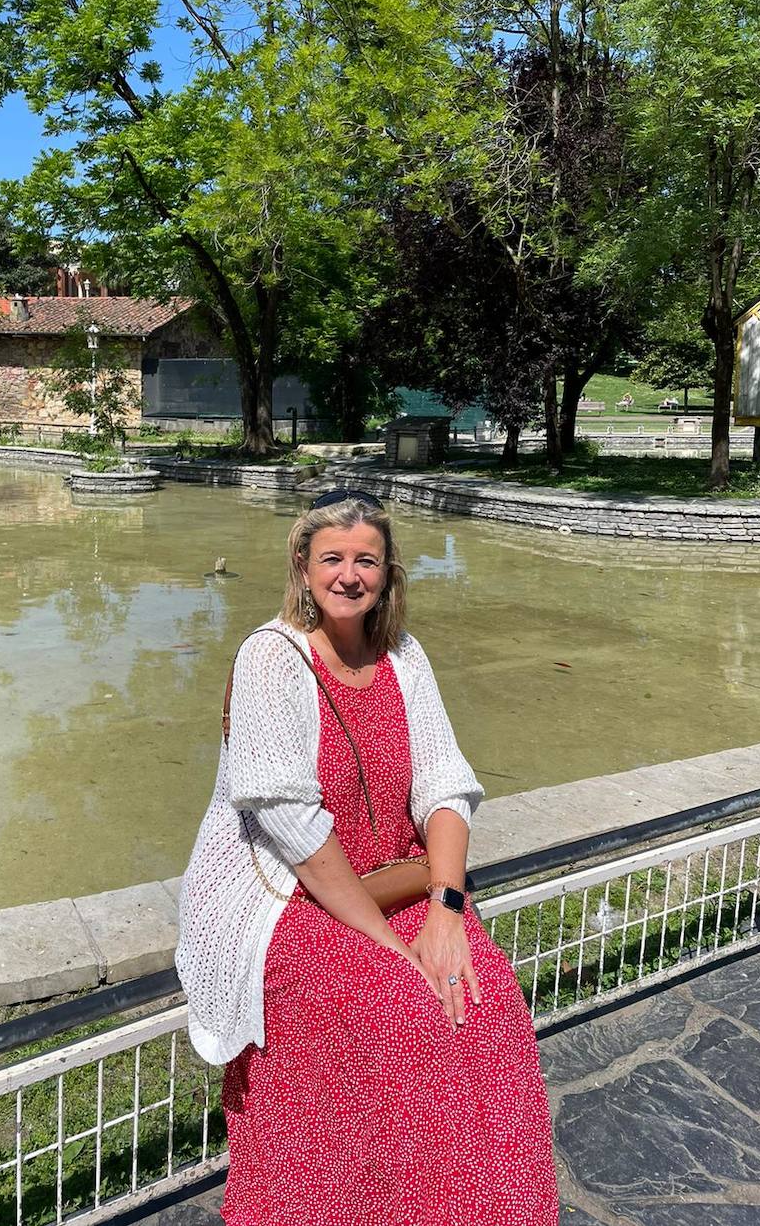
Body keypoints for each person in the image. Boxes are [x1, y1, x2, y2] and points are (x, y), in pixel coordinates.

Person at [175, 490, 559, 1226]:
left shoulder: (402, 656)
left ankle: (471, 1208)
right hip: (291, 896)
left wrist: (445, 913)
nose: (348, 576)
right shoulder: (270, 659)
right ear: (301, 565)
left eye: (365, 560)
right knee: (403, 1007)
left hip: (402, 882)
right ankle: (340, 1203)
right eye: (332, 559)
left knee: (486, 1002)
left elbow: (445, 786)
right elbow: (291, 826)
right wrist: (393, 948)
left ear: (388, 572)